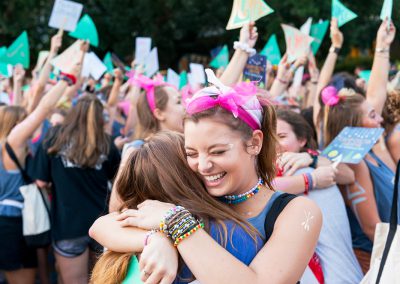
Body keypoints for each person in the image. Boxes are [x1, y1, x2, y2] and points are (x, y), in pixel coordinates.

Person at [91, 68, 322, 283]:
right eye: (191, 153)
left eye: (218, 151)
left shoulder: (297, 211)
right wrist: (157, 239)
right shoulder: (195, 193)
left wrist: (177, 225)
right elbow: (103, 225)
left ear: (254, 142)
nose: (203, 165)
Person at [90, 131, 262, 284]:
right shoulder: (233, 236)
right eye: (193, 155)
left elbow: (99, 226)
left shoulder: (121, 241)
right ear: (192, 175)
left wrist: (157, 238)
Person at [29, 94, 121, 284]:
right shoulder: (106, 142)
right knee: (103, 280)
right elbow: (117, 178)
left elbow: (40, 181)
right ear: (99, 117)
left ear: (73, 113)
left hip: (68, 225)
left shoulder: (55, 136)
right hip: (102, 223)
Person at [276, 109, 363, 283]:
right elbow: (261, 188)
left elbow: (348, 175)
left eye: (282, 136)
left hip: (334, 273)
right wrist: (311, 179)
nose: (275, 144)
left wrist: (312, 160)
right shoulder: (267, 173)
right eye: (270, 137)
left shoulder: (302, 166)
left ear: (302, 140)